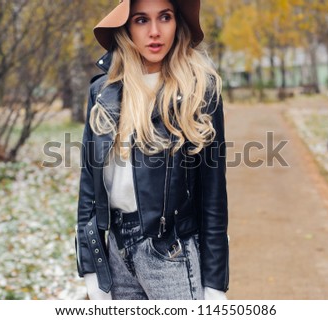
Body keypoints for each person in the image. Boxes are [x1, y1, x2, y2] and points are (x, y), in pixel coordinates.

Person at [75, 0, 229, 300]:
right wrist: (91, 267)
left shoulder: (200, 91)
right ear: (126, 27)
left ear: (177, 23)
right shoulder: (103, 92)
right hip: (116, 256)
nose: (155, 32)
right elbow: (88, 190)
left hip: (172, 252)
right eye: (142, 20)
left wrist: (215, 283)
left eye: (165, 18)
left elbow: (213, 198)